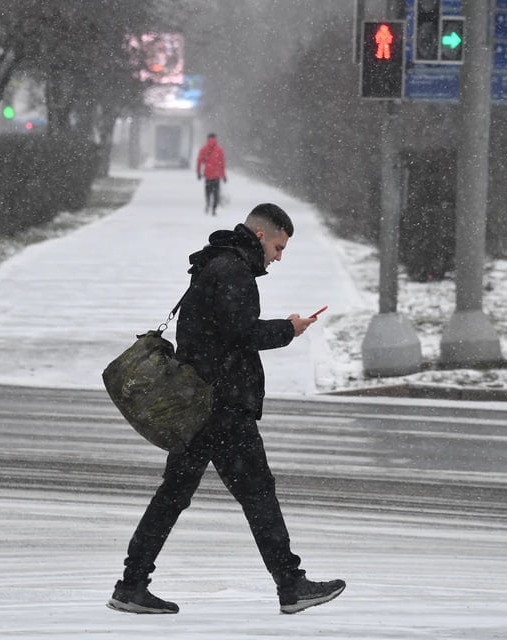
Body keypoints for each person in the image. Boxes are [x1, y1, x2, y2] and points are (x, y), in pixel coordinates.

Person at [107, 203, 346, 615]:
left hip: (198, 404)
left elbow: (212, 334)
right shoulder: (233, 270)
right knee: (258, 494)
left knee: (174, 495)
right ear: (259, 236)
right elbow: (241, 334)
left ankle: (131, 584)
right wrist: (288, 329)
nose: (278, 256)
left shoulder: (214, 263)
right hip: (223, 406)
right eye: (277, 245)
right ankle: (291, 585)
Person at [196, 133, 227, 215]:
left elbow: (199, 161)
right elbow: (222, 164)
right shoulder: (219, 150)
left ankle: (208, 203)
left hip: (208, 175)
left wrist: (199, 172)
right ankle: (214, 208)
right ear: (215, 138)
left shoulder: (204, 149)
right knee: (216, 193)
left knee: (208, 192)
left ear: (207, 138)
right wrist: (223, 175)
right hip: (216, 175)